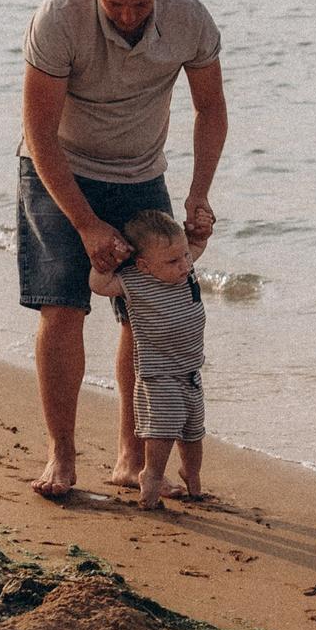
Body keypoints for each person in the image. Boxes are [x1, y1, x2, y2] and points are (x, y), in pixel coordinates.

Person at [17, 0, 228, 499]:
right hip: (59, 165)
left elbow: (210, 109)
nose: (129, 16)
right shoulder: (59, 18)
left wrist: (200, 193)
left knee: (148, 312)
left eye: (141, 3)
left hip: (140, 172)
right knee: (63, 306)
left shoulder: (188, 18)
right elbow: (39, 131)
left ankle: (132, 457)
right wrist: (86, 224)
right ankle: (62, 455)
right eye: (115, 3)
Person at [90, 210, 209, 511]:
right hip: (158, 375)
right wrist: (107, 263)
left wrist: (200, 235)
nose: (185, 264)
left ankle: (192, 474)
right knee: (162, 433)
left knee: (193, 433)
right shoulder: (134, 282)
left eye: (185, 255)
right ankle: (151, 477)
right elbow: (99, 285)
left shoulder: (184, 270)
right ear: (143, 265)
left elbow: (195, 247)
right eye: (173, 261)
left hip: (191, 372)